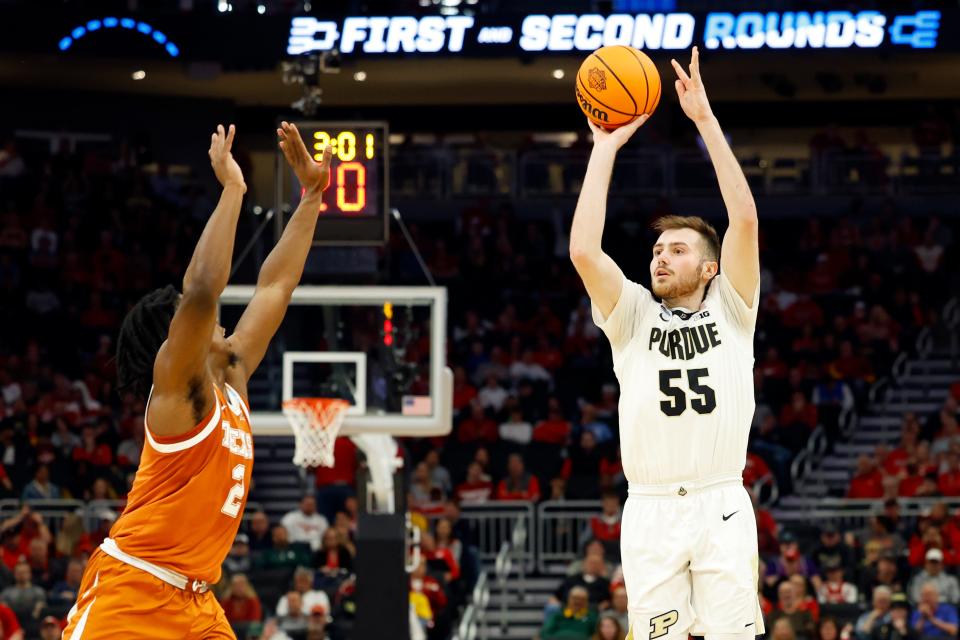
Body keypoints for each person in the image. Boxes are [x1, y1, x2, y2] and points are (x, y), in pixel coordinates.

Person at [62, 122, 334, 638]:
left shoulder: (232, 370)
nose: (218, 316)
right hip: (132, 593)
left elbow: (277, 284)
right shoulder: (177, 392)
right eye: (196, 317)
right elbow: (205, 287)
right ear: (179, 331)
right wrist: (233, 188)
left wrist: (311, 197)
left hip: (197, 602)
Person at [569, 47, 763, 640]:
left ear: (709, 269)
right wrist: (604, 150)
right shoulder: (629, 316)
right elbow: (582, 251)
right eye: (657, 249)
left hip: (720, 500)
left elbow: (745, 220)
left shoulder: (733, 308)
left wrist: (705, 120)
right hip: (650, 505)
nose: (661, 255)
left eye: (678, 250)